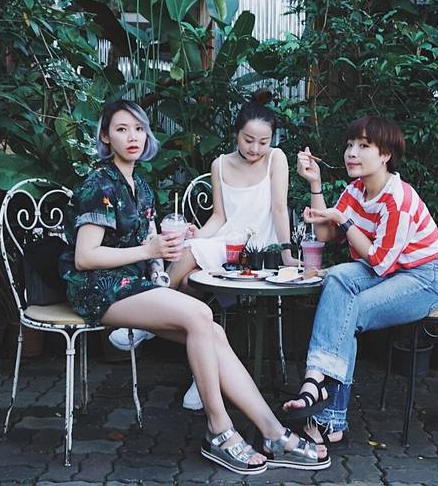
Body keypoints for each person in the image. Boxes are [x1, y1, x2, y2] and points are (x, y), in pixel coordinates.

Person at [59, 99, 329, 475]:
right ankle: (219, 429)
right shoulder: (99, 183)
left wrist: (170, 246)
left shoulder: (141, 186)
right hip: (98, 289)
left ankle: (273, 433)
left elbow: (148, 249)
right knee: (201, 314)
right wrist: (150, 250)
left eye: (138, 129)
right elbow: (85, 257)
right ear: (105, 137)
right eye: (121, 129)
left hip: (132, 284)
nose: (132, 137)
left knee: (212, 331)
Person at [109, 90, 298, 410]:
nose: (255, 148)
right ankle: (204, 375)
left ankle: (144, 321)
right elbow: (220, 217)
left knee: (190, 254)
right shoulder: (219, 164)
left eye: (263, 142)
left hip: (255, 248)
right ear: (236, 134)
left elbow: (280, 209)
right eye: (248, 140)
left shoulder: (275, 159)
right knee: (187, 281)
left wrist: (287, 253)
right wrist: (198, 235)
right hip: (225, 243)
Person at [282, 115, 438, 448]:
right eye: (349, 145)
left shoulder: (397, 199)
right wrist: (316, 184)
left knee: (349, 310)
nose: (351, 153)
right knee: (337, 277)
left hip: (424, 278)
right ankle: (315, 382)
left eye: (363, 146)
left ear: (385, 155)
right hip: (387, 269)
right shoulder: (356, 190)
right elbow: (325, 234)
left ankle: (327, 413)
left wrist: (344, 220)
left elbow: (379, 262)